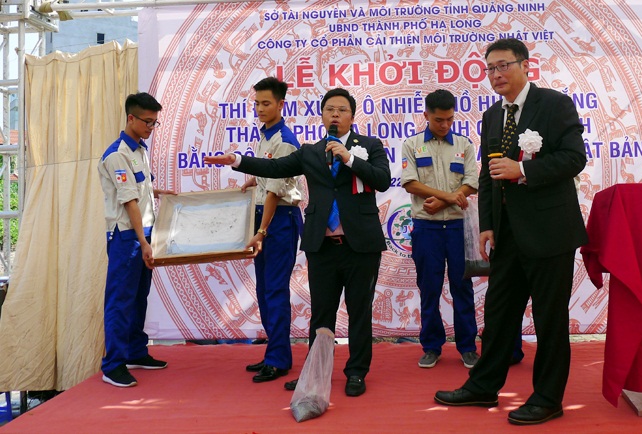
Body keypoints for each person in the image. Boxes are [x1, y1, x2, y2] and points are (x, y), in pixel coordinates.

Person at [433, 38, 588, 426]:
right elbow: (488, 175)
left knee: (549, 319)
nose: (497, 74)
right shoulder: (491, 116)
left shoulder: (554, 104)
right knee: (499, 313)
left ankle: (547, 398)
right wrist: (487, 224)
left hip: (550, 231)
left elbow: (574, 158)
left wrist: (524, 170)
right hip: (506, 234)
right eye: (491, 68)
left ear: (525, 66)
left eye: (504, 65)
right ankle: (483, 386)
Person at [205, 88, 391, 397]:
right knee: (321, 314)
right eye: (329, 109)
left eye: (342, 110)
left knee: (359, 312)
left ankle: (356, 372)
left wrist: (348, 158)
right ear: (322, 115)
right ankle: (315, 372)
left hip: (360, 245)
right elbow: (275, 168)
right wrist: (237, 160)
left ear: (352, 116)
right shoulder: (310, 152)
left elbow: (382, 180)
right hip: (322, 246)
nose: (335, 115)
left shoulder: (369, 146)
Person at [98, 92, 174, 387]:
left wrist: (159, 194)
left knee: (139, 296)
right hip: (127, 237)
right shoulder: (117, 155)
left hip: (144, 233)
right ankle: (113, 365)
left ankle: (135, 352)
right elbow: (129, 202)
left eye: (155, 123)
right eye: (147, 122)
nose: (151, 128)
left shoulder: (139, 149)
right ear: (131, 118)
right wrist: (143, 243)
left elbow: (140, 190)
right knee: (120, 300)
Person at [400, 89, 479, 370]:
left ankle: (468, 347)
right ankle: (431, 347)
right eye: (438, 120)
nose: (445, 125)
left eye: (449, 119)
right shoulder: (411, 145)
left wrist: (446, 200)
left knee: (462, 287)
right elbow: (410, 183)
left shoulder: (464, 144)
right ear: (426, 115)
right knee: (429, 288)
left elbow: (472, 182)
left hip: (457, 227)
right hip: (427, 228)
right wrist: (449, 196)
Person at [239, 77, 304, 383]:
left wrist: (262, 231)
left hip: (279, 220)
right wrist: (254, 179)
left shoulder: (285, 140)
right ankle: (272, 353)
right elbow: (268, 173)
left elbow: (276, 193)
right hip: (264, 218)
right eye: (257, 103)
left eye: (266, 103)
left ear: (280, 104)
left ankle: (279, 359)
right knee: (264, 289)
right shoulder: (265, 135)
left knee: (275, 289)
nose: (260, 109)